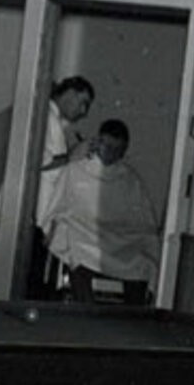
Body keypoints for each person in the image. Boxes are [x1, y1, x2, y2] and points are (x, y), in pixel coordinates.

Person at [40, 118, 162, 304]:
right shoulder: (76, 169)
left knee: (141, 262)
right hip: (83, 234)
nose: (112, 154)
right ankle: (85, 309)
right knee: (75, 250)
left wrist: (135, 235)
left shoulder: (130, 179)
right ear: (98, 143)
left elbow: (143, 221)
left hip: (118, 239)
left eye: (118, 150)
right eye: (108, 147)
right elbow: (57, 208)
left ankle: (132, 315)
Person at [31, 75, 94, 296]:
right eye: (83, 103)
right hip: (37, 209)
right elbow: (39, 161)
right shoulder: (46, 117)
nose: (83, 112)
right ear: (70, 93)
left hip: (45, 211)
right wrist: (71, 157)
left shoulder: (54, 121)